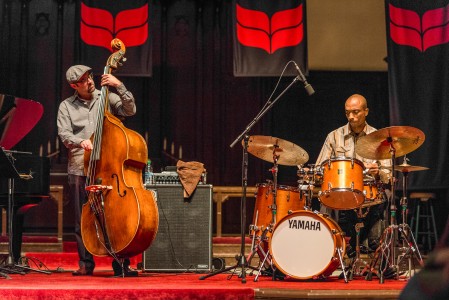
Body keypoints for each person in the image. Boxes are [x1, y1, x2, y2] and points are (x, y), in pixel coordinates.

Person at [57, 65, 138, 277]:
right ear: (75, 85)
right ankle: (85, 264)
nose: (90, 81)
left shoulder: (107, 98)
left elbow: (130, 110)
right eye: (84, 80)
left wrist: (119, 86)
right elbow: (64, 135)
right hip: (79, 166)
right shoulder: (66, 106)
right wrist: (80, 141)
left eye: (90, 77)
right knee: (82, 218)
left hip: (108, 165)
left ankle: (121, 264)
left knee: (115, 216)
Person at [315, 94, 391, 259]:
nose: (351, 116)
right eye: (347, 112)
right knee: (325, 200)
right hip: (341, 190)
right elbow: (320, 168)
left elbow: (388, 175)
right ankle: (326, 253)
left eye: (356, 112)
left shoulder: (378, 137)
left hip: (368, 190)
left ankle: (378, 251)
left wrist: (379, 171)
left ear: (366, 111)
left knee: (387, 196)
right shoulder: (334, 136)